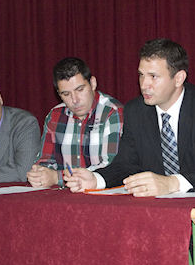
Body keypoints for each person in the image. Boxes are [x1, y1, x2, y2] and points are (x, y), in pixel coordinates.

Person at [64, 38, 195, 196]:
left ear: (178, 78)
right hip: (160, 209)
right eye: (141, 75)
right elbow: (126, 165)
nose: (144, 85)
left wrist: (171, 183)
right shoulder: (135, 111)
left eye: (153, 76)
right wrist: (96, 179)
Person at [26, 57, 124, 188]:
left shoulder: (112, 112)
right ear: (59, 94)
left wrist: (58, 177)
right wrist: (40, 174)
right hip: (63, 195)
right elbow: (45, 161)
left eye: (80, 89)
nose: (75, 100)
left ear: (93, 83)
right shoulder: (55, 115)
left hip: (101, 194)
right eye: (66, 94)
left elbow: (110, 167)